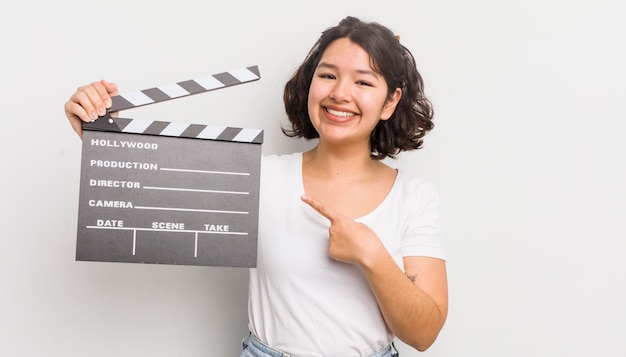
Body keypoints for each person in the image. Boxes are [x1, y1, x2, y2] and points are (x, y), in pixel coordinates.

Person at [65, 16, 447, 357]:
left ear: (389, 101)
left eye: (363, 81)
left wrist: (372, 255)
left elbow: (424, 333)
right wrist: (101, 130)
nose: (340, 93)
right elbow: (149, 194)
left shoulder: (414, 197)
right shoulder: (259, 178)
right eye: (328, 75)